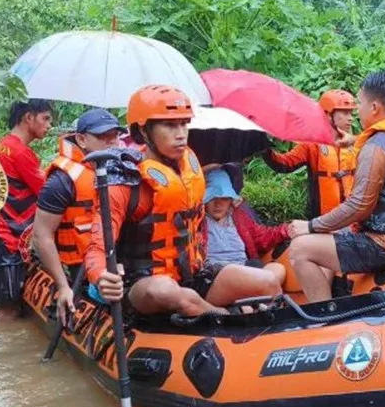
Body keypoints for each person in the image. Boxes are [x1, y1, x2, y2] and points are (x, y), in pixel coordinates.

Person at [86, 85, 283, 317]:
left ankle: (258, 326)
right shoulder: (126, 183)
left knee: (267, 281)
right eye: (170, 125)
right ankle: (222, 316)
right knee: (168, 291)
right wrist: (101, 275)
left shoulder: (190, 165)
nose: (181, 134)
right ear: (143, 132)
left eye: (183, 124)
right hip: (143, 284)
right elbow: (97, 248)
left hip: (192, 275)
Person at [286, 70, 385, 303]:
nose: (357, 113)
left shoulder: (377, 145)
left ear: (374, 107)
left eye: (360, 104)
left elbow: (359, 206)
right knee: (331, 232)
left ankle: (323, 316)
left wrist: (312, 225)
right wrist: (354, 140)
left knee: (300, 249)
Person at [32, 108, 124, 323]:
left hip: (109, 258)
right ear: (82, 139)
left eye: (115, 136)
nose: (112, 142)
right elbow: (41, 235)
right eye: (103, 136)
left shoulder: (120, 171)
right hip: (78, 268)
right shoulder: (62, 181)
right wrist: (63, 287)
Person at [0, 99, 54, 321]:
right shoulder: (21, 153)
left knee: (3, 305)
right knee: (8, 312)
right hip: (6, 241)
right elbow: (48, 193)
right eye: (45, 118)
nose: (49, 125)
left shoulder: (5, 144)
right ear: (28, 118)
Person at [262, 89, 358, 218]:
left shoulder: (356, 143)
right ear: (327, 115)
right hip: (323, 220)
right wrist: (264, 146)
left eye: (351, 113)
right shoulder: (312, 145)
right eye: (345, 113)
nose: (351, 118)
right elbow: (284, 164)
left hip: (352, 220)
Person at [202, 168, 289, 285]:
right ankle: (254, 296)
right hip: (215, 274)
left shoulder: (238, 216)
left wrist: (288, 230)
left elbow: (262, 236)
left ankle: (250, 296)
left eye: (224, 198)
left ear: (231, 200)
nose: (218, 204)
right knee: (248, 273)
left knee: (277, 269)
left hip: (244, 269)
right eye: (213, 198)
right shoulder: (196, 220)